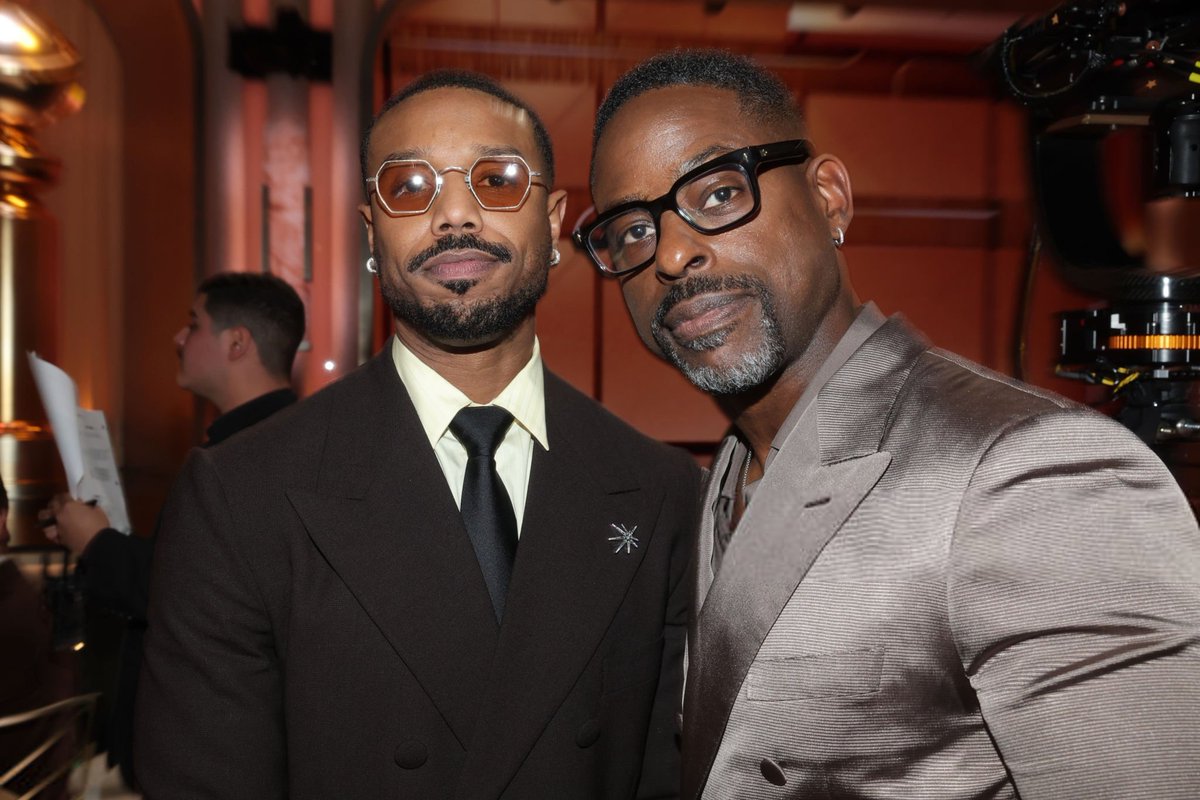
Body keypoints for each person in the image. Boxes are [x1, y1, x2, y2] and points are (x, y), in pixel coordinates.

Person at [580, 49, 1200, 799]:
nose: (673, 253)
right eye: (632, 232)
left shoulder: (1034, 474)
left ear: (830, 198)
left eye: (716, 194)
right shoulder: (717, 482)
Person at [134, 70, 700, 800]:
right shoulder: (240, 496)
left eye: (497, 179)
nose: (456, 214)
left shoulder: (661, 492)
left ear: (554, 220)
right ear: (372, 229)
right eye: (410, 187)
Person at [42, 270, 305, 788]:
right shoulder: (274, 443)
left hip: (221, 749)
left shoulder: (255, 457)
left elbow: (188, 596)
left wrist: (96, 544)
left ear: (236, 343)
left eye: (193, 324)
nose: (177, 338)